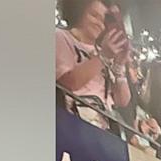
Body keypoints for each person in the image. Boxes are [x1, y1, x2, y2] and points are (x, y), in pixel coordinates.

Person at [55, 0, 132, 128]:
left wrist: (119, 66)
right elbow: (68, 82)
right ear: (79, 13)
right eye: (94, 15)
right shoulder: (61, 37)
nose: (99, 24)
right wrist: (103, 57)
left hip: (103, 128)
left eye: (103, 20)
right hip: (73, 122)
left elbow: (122, 100)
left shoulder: (103, 51)